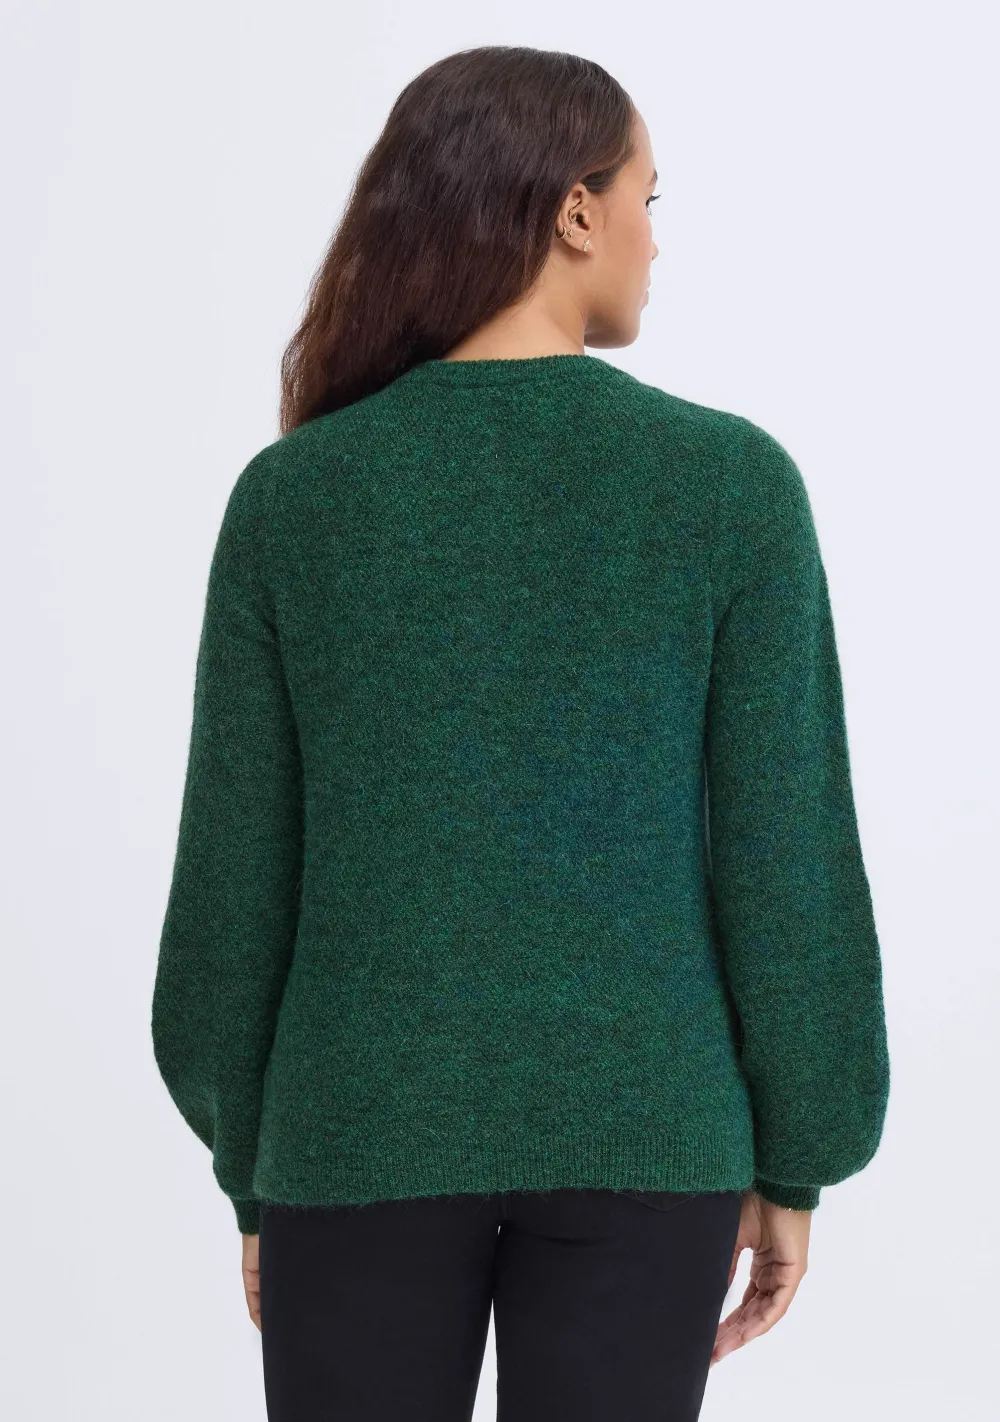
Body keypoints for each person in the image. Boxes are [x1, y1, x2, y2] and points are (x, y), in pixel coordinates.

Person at [151, 44, 890, 1422]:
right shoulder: (730, 487)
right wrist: (798, 1155)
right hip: (649, 1131)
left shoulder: (294, 499)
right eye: (650, 199)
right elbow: (787, 866)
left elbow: (232, 890)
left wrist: (256, 1169)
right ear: (575, 211)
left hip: (353, 1131)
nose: (659, 240)